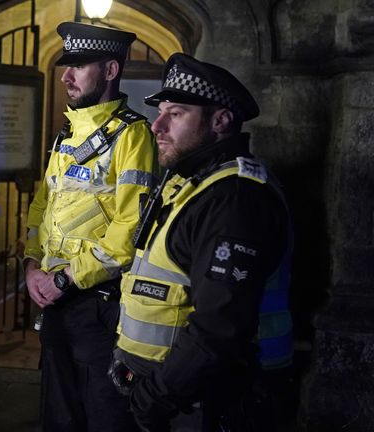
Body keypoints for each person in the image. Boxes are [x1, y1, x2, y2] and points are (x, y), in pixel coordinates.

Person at [108, 53, 293, 432]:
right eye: (160, 111)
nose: (157, 125)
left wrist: (154, 398)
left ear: (221, 120)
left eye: (175, 113)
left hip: (196, 399)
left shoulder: (235, 198)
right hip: (170, 389)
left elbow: (219, 327)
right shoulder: (193, 183)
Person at [24, 22, 158, 432]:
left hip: (97, 305)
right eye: (67, 66)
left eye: (79, 66)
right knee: (57, 414)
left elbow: (130, 229)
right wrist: (32, 263)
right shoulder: (69, 131)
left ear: (111, 70)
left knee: (103, 415)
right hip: (55, 301)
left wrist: (65, 279)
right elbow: (43, 204)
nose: (65, 76)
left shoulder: (133, 136)